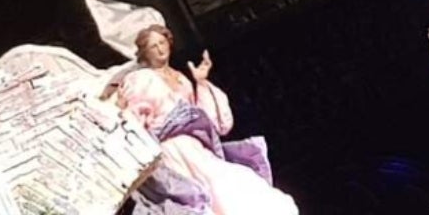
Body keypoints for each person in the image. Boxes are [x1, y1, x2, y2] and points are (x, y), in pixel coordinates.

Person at [108, 24, 298, 215]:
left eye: (162, 42)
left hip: (196, 146)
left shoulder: (181, 78)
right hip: (169, 151)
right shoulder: (140, 79)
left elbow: (209, 122)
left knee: (231, 185)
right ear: (144, 52)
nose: (160, 49)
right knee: (199, 197)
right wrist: (123, 113)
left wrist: (201, 83)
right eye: (152, 46)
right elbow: (133, 122)